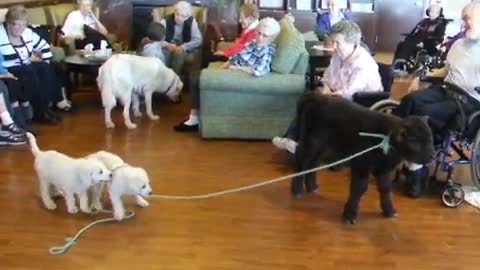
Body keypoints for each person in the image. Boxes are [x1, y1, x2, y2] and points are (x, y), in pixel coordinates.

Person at [393, 2, 480, 198]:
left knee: (425, 114)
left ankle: (416, 168)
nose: (463, 22)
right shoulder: (458, 44)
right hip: (446, 90)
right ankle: (394, 146)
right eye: (463, 18)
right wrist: (421, 77)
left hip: (469, 101)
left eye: (468, 18)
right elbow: (446, 70)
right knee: (410, 101)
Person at [272, 20, 383, 154]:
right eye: (333, 41)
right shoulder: (338, 55)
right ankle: (293, 139)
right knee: (308, 98)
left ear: (352, 43)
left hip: (360, 103)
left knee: (316, 104)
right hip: (338, 97)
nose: (334, 46)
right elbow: (327, 78)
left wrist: (326, 95)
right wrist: (325, 89)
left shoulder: (362, 64)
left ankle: (304, 146)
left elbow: (348, 92)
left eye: (338, 43)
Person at [173, 17, 281, 132]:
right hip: (232, 69)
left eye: (265, 36)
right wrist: (225, 65)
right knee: (197, 75)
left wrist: (238, 68)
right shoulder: (254, 43)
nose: (260, 38)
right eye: (259, 33)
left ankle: (194, 120)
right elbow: (237, 56)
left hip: (239, 76)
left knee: (195, 78)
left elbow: (259, 71)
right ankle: (196, 115)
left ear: (272, 38)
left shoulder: (267, 51)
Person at [0, 5, 66, 124]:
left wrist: (45, 60)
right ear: (9, 23)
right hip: (9, 69)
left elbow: (44, 46)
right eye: (17, 25)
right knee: (29, 72)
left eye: (23, 25)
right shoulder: (1, 35)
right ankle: (40, 112)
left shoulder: (27, 32)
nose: (21, 28)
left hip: (26, 65)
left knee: (46, 68)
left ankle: (45, 109)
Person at [392, 4, 447, 73]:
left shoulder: (440, 23)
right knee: (401, 44)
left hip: (428, 42)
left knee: (407, 45)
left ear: (439, 14)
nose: (431, 13)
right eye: (430, 11)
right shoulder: (424, 21)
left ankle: (400, 66)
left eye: (434, 12)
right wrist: (409, 36)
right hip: (416, 39)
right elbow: (414, 32)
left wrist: (423, 42)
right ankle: (397, 65)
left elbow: (438, 37)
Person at [159, 1, 203, 75]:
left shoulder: (191, 22)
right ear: (174, 12)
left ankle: (174, 78)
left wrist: (183, 47)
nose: (179, 18)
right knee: (165, 53)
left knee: (179, 54)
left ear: (187, 17)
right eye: (177, 14)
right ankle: (164, 77)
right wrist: (166, 45)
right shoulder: (165, 21)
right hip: (168, 45)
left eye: (183, 16)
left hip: (183, 45)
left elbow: (198, 40)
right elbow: (157, 39)